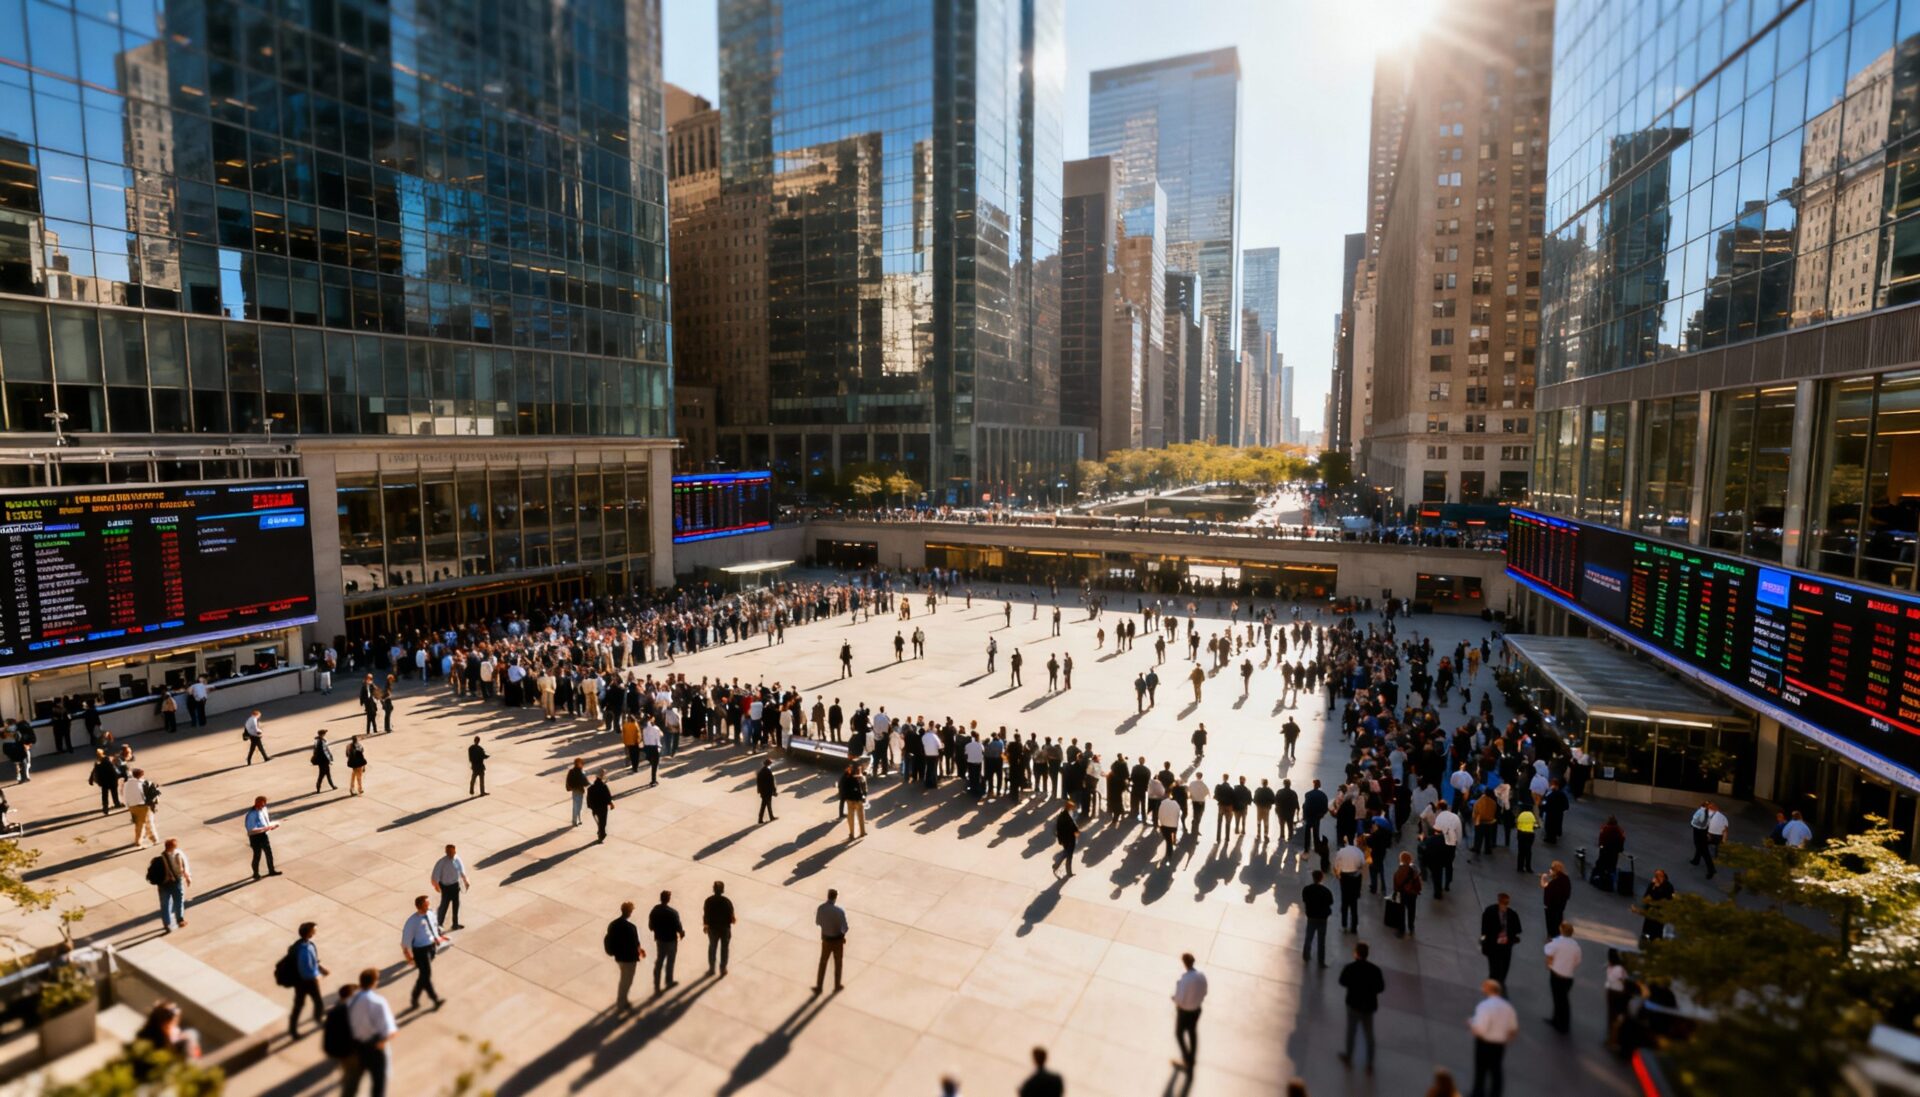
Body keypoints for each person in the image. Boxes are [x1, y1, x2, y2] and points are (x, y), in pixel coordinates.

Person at [347, 968, 397, 1097]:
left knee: (352, 1084)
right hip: (374, 1048)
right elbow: (389, 1032)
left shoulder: (350, 1001)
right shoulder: (377, 1002)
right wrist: (382, 1043)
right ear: (374, 982)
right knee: (378, 1086)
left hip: (356, 1047)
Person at [1337, 941, 1386, 1074]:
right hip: (1369, 1006)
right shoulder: (1375, 970)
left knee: (1351, 1032)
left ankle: (1348, 1056)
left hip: (1353, 1004)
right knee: (1369, 1035)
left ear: (1356, 953)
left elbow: (1342, 981)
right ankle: (1369, 1064)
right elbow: (1381, 988)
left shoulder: (1350, 968)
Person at [1468, 979, 1519, 1097]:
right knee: (1496, 1070)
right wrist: (1506, 1040)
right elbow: (1513, 1029)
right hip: (1499, 1045)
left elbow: (1480, 1029)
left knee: (1481, 1069)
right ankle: (1496, 1093)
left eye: (1484, 987)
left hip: (1484, 1043)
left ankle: (1478, 1092)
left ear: (1488, 989)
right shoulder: (1508, 1007)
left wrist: (1471, 1024)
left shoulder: (1484, 1006)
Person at [399, 895, 447, 1010]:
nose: (428, 906)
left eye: (428, 904)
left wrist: (438, 938)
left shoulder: (430, 914)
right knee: (426, 974)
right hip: (420, 951)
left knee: (424, 975)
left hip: (431, 948)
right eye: (426, 904)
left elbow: (434, 927)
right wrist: (409, 957)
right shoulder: (412, 922)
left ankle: (415, 998)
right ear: (419, 906)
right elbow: (405, 941)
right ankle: (434, 999)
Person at [288, 921, 327, 1037]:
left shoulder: (310, 945)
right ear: (309, 932)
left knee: (318, 1002)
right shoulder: (299, 948)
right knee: (299, 1005)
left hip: (310, 980)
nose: (316, 931)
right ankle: (293, 1030)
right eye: (314, 929)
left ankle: (317, 1018)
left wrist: (321, 968)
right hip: (302, 982)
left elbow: (313, 960)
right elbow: (298, 966)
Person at [1170, 951, 1207, 1072]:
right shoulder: (1201, 976)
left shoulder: (1184, 979)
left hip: (1185, 1012)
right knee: (1192, 1032)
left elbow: (1179, 999)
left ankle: (1187, 1060)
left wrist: (1174, 998)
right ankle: (1192, 1058)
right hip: (1197, 1009)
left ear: (1184, 963)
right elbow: (1205, 992)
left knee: (1179, 1033)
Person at [605, 901, 645, 1012]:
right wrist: (640, 951)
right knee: (627, 980)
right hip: (630, 958)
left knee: (623, 978)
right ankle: (621, 1002)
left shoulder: (613, 924)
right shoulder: (631, 927)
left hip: (619, 957)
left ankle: (623, 999)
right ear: (629, 912)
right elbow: (636, 943)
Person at [1543, 921, 1582, 1033]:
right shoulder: (1576, 946)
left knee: (1559, 1000)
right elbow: (1577, 961)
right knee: (1562, 1000)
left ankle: (1562, 1024)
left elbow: (1547, 950)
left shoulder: (1556, 942)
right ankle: (1557, 1020)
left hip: (1557, 974)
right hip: (1568, 976)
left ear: (1561, 930)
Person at [321, 985, 360, 1090]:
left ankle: (346, 1078)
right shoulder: (348, 1012)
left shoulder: (335, 1011)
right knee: (352, 1073)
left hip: (337, 1049)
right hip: (347, 1050)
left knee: (347, 1067)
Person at [1479, 893, 1522, 983]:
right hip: (1493, 944)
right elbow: (1485, 930)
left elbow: (1517, 929)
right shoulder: (1490, 912)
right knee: (1494, 967)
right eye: (1503, 902)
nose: (1504, 905)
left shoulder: (1512, 914)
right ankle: (1494, 983)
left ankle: (1499, 981)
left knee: (1504, 966)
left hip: (1506, 945)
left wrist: (1511, 939)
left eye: (1506, 903)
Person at [648, 889, 685, 993]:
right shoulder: (673, 913)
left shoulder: (654, 910)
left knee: (659, 961)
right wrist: (682, 933)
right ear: (668, 899)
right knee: (670, 960)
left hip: (660, 939)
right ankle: (669, 981)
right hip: (671, 940)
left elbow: (650, 927)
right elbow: (679, 928)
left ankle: (656, 986)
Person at [813, 888, 848, 993]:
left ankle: (819, 987)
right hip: (837, 940)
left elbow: (818, 922)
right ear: (835, 897)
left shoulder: (821, 908)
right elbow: (845, 928)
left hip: (826, 940)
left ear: (828, 896)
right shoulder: (839, 911)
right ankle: (837, 985)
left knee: (823, 962)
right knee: (838, 963)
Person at [430, 844, 469, 930]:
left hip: (455, 886)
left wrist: (466, 881)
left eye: (451, 852)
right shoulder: (441, 862)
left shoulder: (457, 859)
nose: (450, 854)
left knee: (456, 906)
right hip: (445, 887)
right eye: (448, 852)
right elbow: (434, 876)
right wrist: (436, 886)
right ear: (446, 852)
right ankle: (439, 926)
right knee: (444, 906)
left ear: (455, 851)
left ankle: (455, 924)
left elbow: (462, 871)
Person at [1300, 870, 1334, 968]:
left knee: (1309, 937)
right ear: (1321, 878)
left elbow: (1305, 900)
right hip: (1322, 918)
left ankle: (1306, 955)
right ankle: (1321, 961)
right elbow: (1330, 902)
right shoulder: (1326, 891)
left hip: (1311, 916)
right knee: (1321, 941)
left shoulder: (1307, 889)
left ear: (1313, 877)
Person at [1333, 835, 1365, 932]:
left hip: (1345, 877)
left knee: (1345, 902)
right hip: (1355, 877)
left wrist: (1338, 873)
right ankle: (1354, 927)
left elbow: (1336, 864)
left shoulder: (1341, 852)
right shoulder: (1359, 852)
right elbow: (1362, 864)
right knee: (1354, 904)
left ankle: (1344, 925)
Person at [703, 881, 735, 975]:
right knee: (724, 948)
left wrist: (705, 925)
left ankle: (712, 969)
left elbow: (706, 915)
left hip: (712, 929)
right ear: (723, 890)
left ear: (713, 889)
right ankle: (723, 969)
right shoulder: (727, 901)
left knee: (712, 948)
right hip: (725, 929)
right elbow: (732, 918)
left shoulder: (708, 901)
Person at [157, 837, 190, 931]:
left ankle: (167, 923)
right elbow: (181, 869)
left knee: (166, 904)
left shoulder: (165, 856)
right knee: (177, 902)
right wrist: (186, 877)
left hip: (165, 884)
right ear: (172, 847)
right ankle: (179, 920)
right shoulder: (175, 855)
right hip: (173, 883)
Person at [1636, 868, 1675, 945]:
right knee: (1656, 928)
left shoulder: (1659, 885)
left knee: (1651, 927)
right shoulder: (1667, 886)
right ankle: (1652, 940)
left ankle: (1648, 939)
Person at [244, 796, 280, 878]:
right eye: (262, 804)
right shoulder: (251, 814)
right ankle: (255, 873)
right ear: (256, 803)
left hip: (263, 835)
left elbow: (265, 822)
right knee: (257, 855)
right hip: (255, 837)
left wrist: (271, 826)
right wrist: (266, 828)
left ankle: (271, 870)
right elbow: (251, 830)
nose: (263, 806)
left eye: (264, 804)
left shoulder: (263, 810)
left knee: (269, 853)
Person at [1391, 850, 1423, 937]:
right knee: (1411, 910)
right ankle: (1411, 927)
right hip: (1413, 893)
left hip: (1402, 893)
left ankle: (1401, 930)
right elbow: (1419, 880)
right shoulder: (1415, 868)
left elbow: (1396, 884)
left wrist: (1395, 892)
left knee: (1401, 911)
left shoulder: (1399, 871)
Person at [127, 768, 159, 847]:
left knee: (139, 824)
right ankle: (153, 839)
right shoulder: (146, 783)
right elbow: (154, 795)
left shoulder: (128, 784)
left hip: (133, 807)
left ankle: (139, 840)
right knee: (148, 823)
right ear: (142, 775)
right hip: (144, 807)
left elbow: (125, 795)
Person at [1540, 860, 1572, 938]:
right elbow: (1567, 894)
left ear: (1554, 870)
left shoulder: (1554, 882)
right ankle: (1558, 935)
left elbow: (1544, 886)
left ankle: (1551, 936)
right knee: (1558, 921)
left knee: (1551, 923)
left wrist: (1543, 878)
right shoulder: (1566, 879)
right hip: (1561, 906)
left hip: (1551, 907)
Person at [840, 763, 868, 839]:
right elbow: (865, 788)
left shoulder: (847, 776)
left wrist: (844, 797)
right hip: (859, 799)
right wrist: (864, 796)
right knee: (861, 816)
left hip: (849, 799)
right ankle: (862, 832)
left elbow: (842, 787)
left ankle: (852, 834)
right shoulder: (861, 777)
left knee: (851, 817)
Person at [586, 770, 614, 842]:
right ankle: (601, 836)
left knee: (599, 822)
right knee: (603, 822)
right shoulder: (604, 787)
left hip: (595, 809)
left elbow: (588, 799)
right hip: (603, 808)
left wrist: (591, 807)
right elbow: (608, 797)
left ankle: (601, 832)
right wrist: (611, 804)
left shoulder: (590, 788)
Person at [1054, 801, 1080, 877]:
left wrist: (1060, 840)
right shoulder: (1067, 817)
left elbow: (1058, 829)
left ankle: (1056, 865)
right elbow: (1072, 828)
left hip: (1065, 839)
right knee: (1069, 856)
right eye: (1072, 808)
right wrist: (1076, 831)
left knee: (1066, 853)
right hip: (1070, 839)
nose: (1073, 809)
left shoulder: (1062, 815)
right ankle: (1069, 872)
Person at [565, 758, 589, 826]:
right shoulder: (576, 772)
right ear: (577, 764)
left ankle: (577, 820)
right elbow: (584, 781)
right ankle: (575, 821)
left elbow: (585, 781)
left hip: (577, 791)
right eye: (581, 763)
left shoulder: (577, 771)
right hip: (577, 791)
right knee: (577, 806)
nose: (582, 765)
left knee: (578, 806)